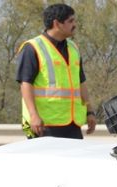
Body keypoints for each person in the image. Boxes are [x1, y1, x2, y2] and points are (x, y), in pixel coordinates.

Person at [16, 3, 96, 139]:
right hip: (44, 125)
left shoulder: (73, 48)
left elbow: (81, 82)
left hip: (72, 124)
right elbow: (25, 83)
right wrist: (34, 115)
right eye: (70, 21)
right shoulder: (32, 47)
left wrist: (89, 111)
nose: (75, 24)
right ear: (57, 24)